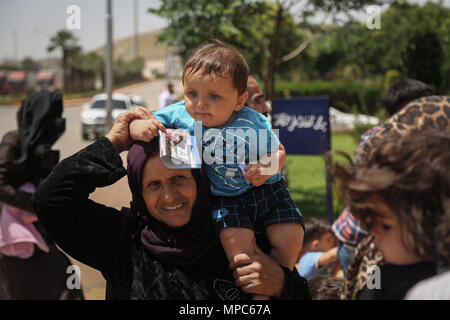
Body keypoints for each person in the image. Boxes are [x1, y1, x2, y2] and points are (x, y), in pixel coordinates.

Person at [31, 107, 311, 300]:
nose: (168, 196)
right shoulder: (121, 240)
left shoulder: (235, 233)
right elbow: (50, 201)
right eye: (153, 185)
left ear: (200, 180)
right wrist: (113, 143)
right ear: (138, 190)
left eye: (179, 178)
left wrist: (283, 285)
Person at [130, 41, 304, 299]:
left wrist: (267, 168)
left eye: (214, 96)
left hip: (267, 190)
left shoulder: (253, 120)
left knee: (291, 236)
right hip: (226, 199)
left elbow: (280, 152)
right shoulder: (181, 115)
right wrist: (139, 129)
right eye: (192, 94)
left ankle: (276, 278)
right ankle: (257, 295)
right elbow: (142, 119)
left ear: (240, 100)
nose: (200, 104)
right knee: (238, 249)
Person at [331, 78, 435, 276]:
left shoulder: (419, 140)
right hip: (362, 244)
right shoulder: (377, 140)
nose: (430, 110)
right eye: (425, 104)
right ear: (408, 109)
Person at [329, 129, 450, 299]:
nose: (373, 232)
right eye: (370, 223)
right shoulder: (378, 268)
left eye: (386, 226)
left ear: (434, 222)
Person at [0, 90, 84, 299]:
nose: (58, 122)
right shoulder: (13, 141)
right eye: (53, 116)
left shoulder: (43, 148)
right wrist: (35, 205)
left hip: (40, 234)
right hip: (13, 237)